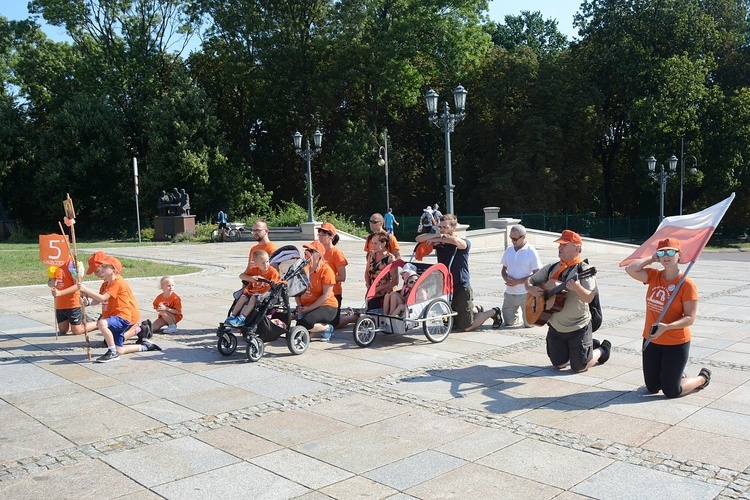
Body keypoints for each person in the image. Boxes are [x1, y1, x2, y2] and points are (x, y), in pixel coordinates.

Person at [625, 237, 710, 397]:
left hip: (676, 342)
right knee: (652, 388)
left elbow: (689, 318)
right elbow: (631, 269)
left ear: (679, 255)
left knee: (671, 391)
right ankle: (676, 374)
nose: (666, 256)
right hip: (651, 339)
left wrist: (667, 327)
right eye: (661, 252)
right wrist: (651, 258)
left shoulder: (687, 284)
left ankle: (701, 378)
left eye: (671, 252)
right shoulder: (654, 276)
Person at [525, 230, 611, 372]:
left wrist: (577, 288)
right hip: (556, 327)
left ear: (577, 248)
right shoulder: (553, 267)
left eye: (564, 245)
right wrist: (530, 288)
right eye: (559, 244)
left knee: (579, 367)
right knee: (558, 365)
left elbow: (589, 297)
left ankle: (602, 349)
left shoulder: (584, 270)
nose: (560, 247)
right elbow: (530, 280)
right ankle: (586, 348)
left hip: (578, 327)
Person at [416, 214, 502, 331]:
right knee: (451, 325)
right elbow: (418, 239)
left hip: (461, 286)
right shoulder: (441, 242)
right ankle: (475, 309)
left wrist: (437, 239)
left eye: (445, 227)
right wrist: (437, 235)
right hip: (446, 286)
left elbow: (455, 241)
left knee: (466, 327)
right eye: (440, 227)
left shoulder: (464, 243)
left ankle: (493, 312)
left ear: (454, 228)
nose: (442, 230)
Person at [79, 254, 161, 362]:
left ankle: (112, 352)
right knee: (120, 349)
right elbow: (98, 300)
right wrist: (87, 302)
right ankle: (145, 347)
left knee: (102, 323)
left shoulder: (117, 282)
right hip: (113, 316)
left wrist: (85, 289)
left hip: (121, 316)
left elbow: (103, 298)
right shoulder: (106, 284)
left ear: (113, 270)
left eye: (105, 266)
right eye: (102, 266)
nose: (101, 269)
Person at [296, 241, 338, 341]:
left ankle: (327, 328)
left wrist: (308, 309)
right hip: (307, 304)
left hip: (327, 305)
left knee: (305, 323)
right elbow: (296, 290)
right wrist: (299, 306)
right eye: (307, 250)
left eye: (311, 251)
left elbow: (326, 296)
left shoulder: (326, 270)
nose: (307, 253)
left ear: (318, 255)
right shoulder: (302, 269)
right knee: (297, 324)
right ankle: (310, 333)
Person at [501, 224, 542, 327]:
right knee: (509, 323)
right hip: (510, 293)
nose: (513, 241)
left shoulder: (531, 251)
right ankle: (519, 315)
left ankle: (534, 311)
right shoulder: (509, 250)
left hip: (525, 293)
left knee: (529, 325)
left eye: (515, 239)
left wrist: (518, 281)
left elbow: (537, 274)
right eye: (511, 238)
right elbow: (503, 269)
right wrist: (505, 277)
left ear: (524, 237)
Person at [226, 250, 280, 327]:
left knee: (253, 298)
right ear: (256, 263)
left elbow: (275, 284)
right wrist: (250, 278)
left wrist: (266, 281)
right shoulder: (254, 270)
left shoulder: (272, 272)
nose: (266, 264)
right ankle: (232, 316)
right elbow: (241, 276)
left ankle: (242, 318)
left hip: (264, 294)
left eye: (267, 261)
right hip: (252, 291)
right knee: (242, 297)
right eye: (263, 263)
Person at [317, 222, 353, 328]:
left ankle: (353, 317)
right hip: (319, 292)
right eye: (319, 234)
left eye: (323, 234)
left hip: (334, 293)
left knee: (333, 324)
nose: (320, 237)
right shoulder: (317, 251)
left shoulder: (336, 253)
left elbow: (342, 276)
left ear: (331, 236)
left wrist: (326, 280)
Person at [48, 256, 86, 335]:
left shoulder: (72, 263)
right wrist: (52, 283)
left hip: (73, 302)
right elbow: (49, 282)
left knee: (77, 330)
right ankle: (79, 321)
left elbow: (77, 285)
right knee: (63, 330)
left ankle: (97, 323)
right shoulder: (54, 262)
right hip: (60, 303)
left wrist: (60, 293)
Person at [364, 230, 398, 310]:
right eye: (372, 243)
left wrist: (377, 289)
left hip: (385, 295)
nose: (372, 246)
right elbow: (366, 273)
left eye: (376, 243)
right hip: (372, 292)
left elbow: (395, 281)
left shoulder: (390, 259)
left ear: (383, 243)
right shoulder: (371, 256)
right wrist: (369, 287)